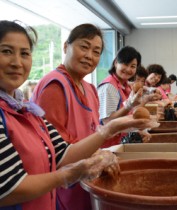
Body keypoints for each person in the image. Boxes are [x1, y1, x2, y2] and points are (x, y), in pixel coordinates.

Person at [0, 20, 155, 210]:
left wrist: (111, 129)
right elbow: (8, 188)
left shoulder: (25, 108)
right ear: (66, 46)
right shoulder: (55, 86)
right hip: (66, 191)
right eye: (6, 51)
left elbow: (61, 152)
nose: (16, 62)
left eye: (24, 53)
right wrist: (69, 174)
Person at [31, 23, 103, 210]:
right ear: (65, 46)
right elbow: (55, 147)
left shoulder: (90, 89)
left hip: (87, 179)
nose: (89, 56)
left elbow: (95, 129)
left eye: (96, 52)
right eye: (84, 47)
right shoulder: (55, 85)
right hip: (65, 185)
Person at [98, 46, 161, 148]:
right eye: (125, 64)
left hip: (121, 141)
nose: (128, 69)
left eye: (133, 66)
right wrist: (128, 106)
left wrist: (136, 131)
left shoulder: (125, 85)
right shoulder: (109, 87)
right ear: (115, 63)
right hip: (109, 146)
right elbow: (107, 122)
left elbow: (128, 114)